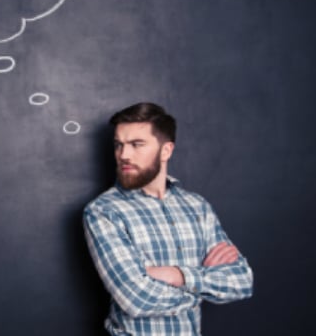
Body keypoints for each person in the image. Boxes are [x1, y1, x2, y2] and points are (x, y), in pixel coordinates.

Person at [83, 102, 253, 335]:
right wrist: (202, 283)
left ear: (166, 150)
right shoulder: (104, 211)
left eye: (136, 144)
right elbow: (136, 300)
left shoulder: (197, 207)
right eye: (118, 145)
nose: (124, 155)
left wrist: (176, 275)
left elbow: (241, 281)